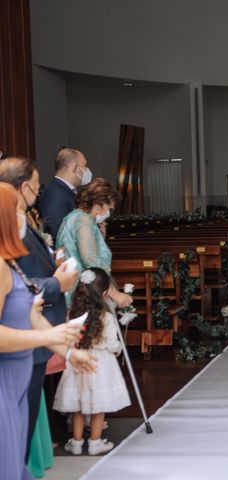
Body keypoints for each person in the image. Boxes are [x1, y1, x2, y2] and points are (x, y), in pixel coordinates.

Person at [0, 182, 87, 480]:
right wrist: (48, 337)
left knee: (15, 460)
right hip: (4, 381)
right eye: (16, 210)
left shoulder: (10, 263)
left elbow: (30, 310)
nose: (23, 216)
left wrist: (68, 352)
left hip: (17, 380)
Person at [54, 267, 131, 455]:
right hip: (100, 366)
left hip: (77, 364)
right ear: (105, 294)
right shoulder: (106, 317)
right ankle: (95, 442)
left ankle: (77, 442)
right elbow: (112, 344)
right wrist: (118, 350)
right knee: (99, 406)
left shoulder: (72, 314)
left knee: (78, 406)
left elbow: (67, 339)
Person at [56, 178, 132, 308]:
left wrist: (100, 238)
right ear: (98, 205)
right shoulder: (84, 221)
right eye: (109, 208)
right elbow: (91, 262)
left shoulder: (74, 217)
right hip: (85, 293)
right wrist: (114, 294)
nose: (109, 213)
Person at [39, 148, 91, 243]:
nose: (87, 170)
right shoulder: (55, 195)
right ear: (75, 168)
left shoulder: (66, 191)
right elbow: (58, 234)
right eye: (85, 166)